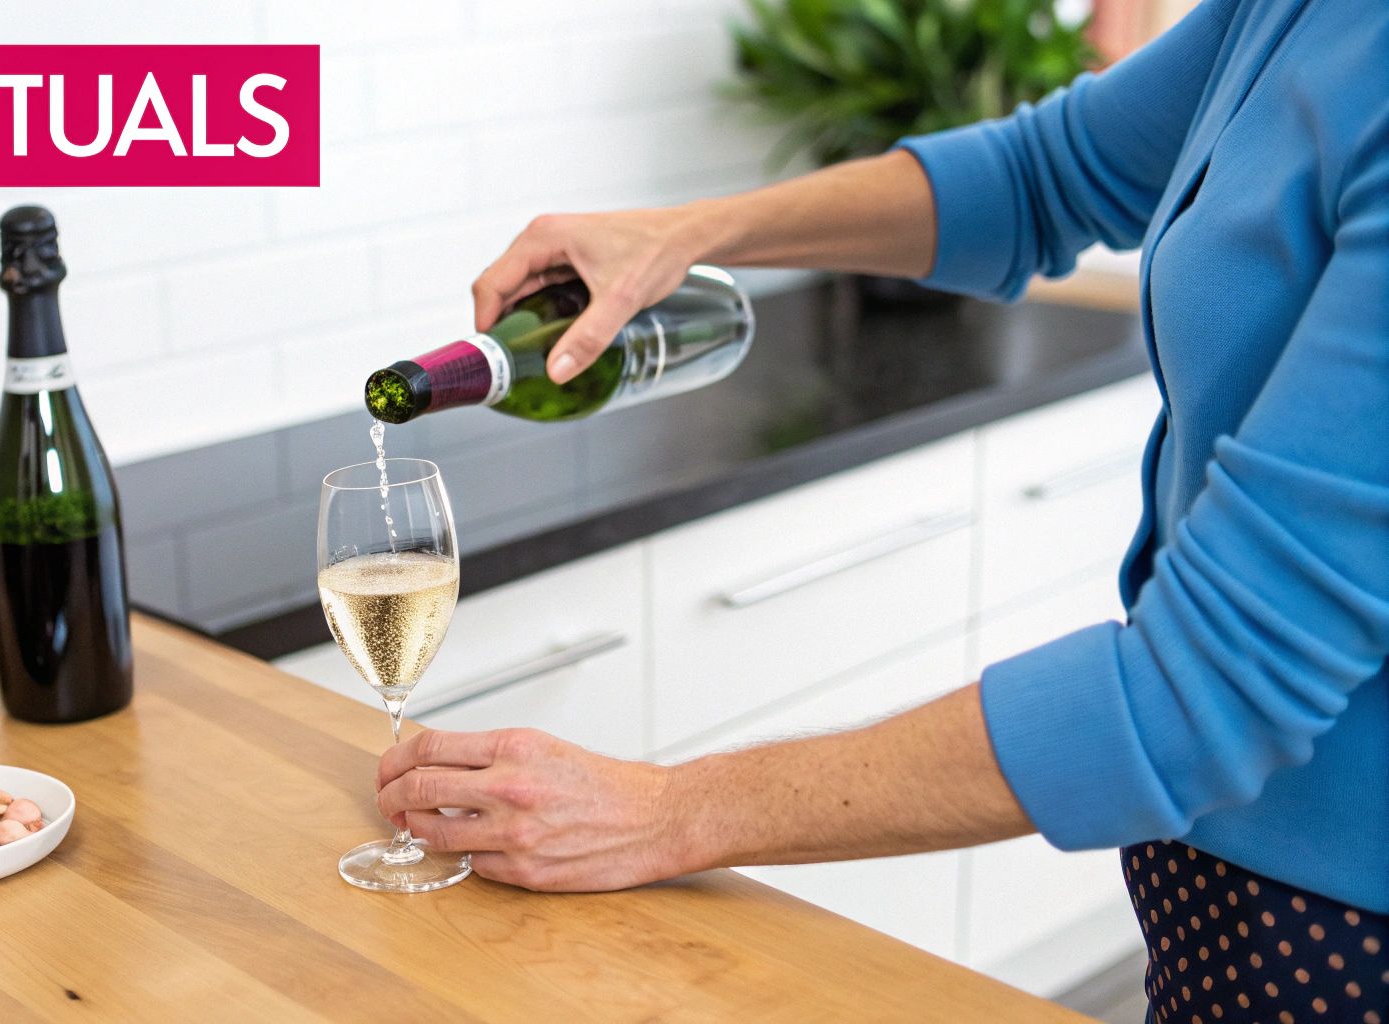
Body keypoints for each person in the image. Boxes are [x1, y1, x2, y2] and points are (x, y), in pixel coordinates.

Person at [375, 0, 1389, 1018]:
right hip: (1214, 884)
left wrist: (664, 812)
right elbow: (1046, 173)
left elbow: (1199, 694)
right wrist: (682, 232)